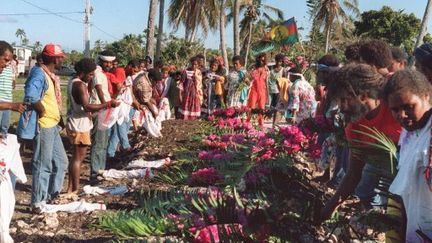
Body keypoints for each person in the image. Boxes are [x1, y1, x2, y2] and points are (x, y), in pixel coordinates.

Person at [318, 63, 401, 222]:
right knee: (365, 192)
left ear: (362, 96)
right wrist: (328, 209)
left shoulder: (397, 108)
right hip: (386, 173)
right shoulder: (354, 127)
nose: (341, 108)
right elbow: (353, 174)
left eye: (344, 101)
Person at [16, 44, 68, 210]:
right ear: (54, 58)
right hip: (44, 124)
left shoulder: (49, 74)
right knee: (43, 163)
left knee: (61, 162)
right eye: (60, 57)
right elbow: (31, 95)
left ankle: (52, 197)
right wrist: (43, 110)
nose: (61, 60)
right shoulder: (39, 73)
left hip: (52, 124)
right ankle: (38, 202)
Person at [383, 69, 432, 242]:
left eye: (409, 107)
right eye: (395, 110)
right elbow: (406, 192)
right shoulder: (408, 135)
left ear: (427, 96)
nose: (402, 115)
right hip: (416, 230)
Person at [66, 58, 119, 194]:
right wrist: (107, 104)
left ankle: (70, 188)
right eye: (89, 75)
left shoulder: (72, 82)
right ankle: (75, 189)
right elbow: (87, 106)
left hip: (74, 121)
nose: (91, 78)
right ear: (83, 72)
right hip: (80, 124)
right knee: (78, 158)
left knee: (74, 157)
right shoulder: (80, 85)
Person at [88, 50, 115, 184]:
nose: (109, 65)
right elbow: (99, 90)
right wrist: (107, 104)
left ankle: (101, 170)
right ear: (101, 61)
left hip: (104, 109)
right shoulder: (97, 73)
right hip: (100, 110)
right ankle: (95, 173)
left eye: (111, 63)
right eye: (107, 62)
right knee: (99, 143)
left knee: (103, 143)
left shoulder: (103, 74)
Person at [247, 53, 269, 127]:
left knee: (261, 109)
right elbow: (249, 79)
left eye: (263, 60)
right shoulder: (254, 69)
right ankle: (247, 123)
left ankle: (261, 124)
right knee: (251, 107)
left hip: (262, 91)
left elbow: (267, 82)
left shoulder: (266, 70)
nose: (261, 61)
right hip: (254, 90)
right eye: (260, 59)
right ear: (257, 59)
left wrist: (267, 95)